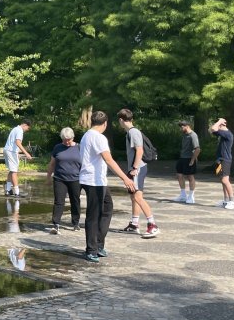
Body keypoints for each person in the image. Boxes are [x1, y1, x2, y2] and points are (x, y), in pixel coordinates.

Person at [79, 110, 136, 262]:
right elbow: (109, 160)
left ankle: (98, 244)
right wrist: (125, 178)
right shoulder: (98, 137)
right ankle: (91, 249)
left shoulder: (87, 135)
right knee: (93, 215)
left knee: (107, 208)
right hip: (93, 181)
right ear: (105, 124)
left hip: (97, 181)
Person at [117, 109, 160, 238]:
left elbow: (139, 151)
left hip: (138, 168)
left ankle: (152, 225)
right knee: (133, 196)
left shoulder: (133, 132)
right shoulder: (131, 132)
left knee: (137, 197)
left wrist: (134, 167)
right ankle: (134, 224)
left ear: (121, 120)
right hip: (135, 168)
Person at [45, 127, 81, 234]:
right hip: (60, 178)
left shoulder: (80, 147)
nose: (66, 142)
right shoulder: (58, 147)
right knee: (59, 201)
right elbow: (52, 163)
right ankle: (56, 224)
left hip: (76, 179)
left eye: (69, 139)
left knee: (75, 201)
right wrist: (48, 177)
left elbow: (86, 164)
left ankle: (76, 223)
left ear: (72, 137)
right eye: (64, 139)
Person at [210, 117, 234, 209]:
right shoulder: (222, 133)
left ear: (222, 125)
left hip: (225, 160)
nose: (217, 127)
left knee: (225, 180)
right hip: (220, 160)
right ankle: (225, 201)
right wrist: (219, 123)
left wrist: (220, 121)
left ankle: (232, 201)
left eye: (219, 125)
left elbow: (214, 128)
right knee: (222, 180)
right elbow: (212, 129)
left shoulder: (227, 134)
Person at [4, 118, 33, 196]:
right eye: (28, 128)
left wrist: (17, 153)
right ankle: (17, 192)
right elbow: (18, 142)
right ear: (25, 125)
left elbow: (13, 143)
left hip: (8, 150)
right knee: (14, 171)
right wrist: (26, 153)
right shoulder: (20, 130)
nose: (27, 130)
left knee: (11, 170)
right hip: (11, 152)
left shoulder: (15, 129)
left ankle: (8, 190)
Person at [174, 120, 201, 203]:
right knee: (179, 175)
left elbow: (197, 149)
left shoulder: (193, 135)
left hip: (189, 158)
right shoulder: (184, 135)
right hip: (182, 158)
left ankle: (191, 196)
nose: (181, 129)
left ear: (187, 126)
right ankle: (183, 195)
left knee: (190, 177)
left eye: (182, 127)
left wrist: (192, 160)